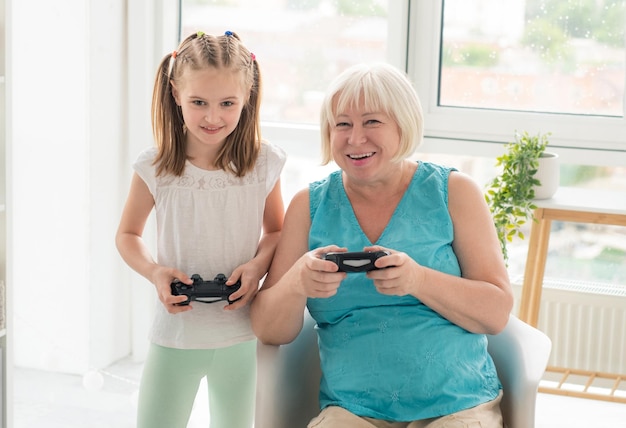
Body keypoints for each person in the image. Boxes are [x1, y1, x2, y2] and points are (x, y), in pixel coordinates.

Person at [250, 62, 514, 428]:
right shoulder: (308, 206)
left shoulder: (454, 192)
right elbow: (269, 330)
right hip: (352, 412)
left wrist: (419, 281)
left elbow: (496, 312)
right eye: (342, 124)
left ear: (403, 125)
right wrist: (297, 283)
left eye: (372, 122)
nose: (355, 139)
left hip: (458, 405)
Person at [116, 30, 286, 428]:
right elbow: (127, 235)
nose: (213, 117)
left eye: (228, 103)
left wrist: (258, 266)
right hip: (175, 333)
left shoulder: (264, 164)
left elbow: (277, 232)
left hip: (240, 334)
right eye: (199, 103)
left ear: (247, 97)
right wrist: (155, 272)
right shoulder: (155, 166)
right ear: (176, 94)